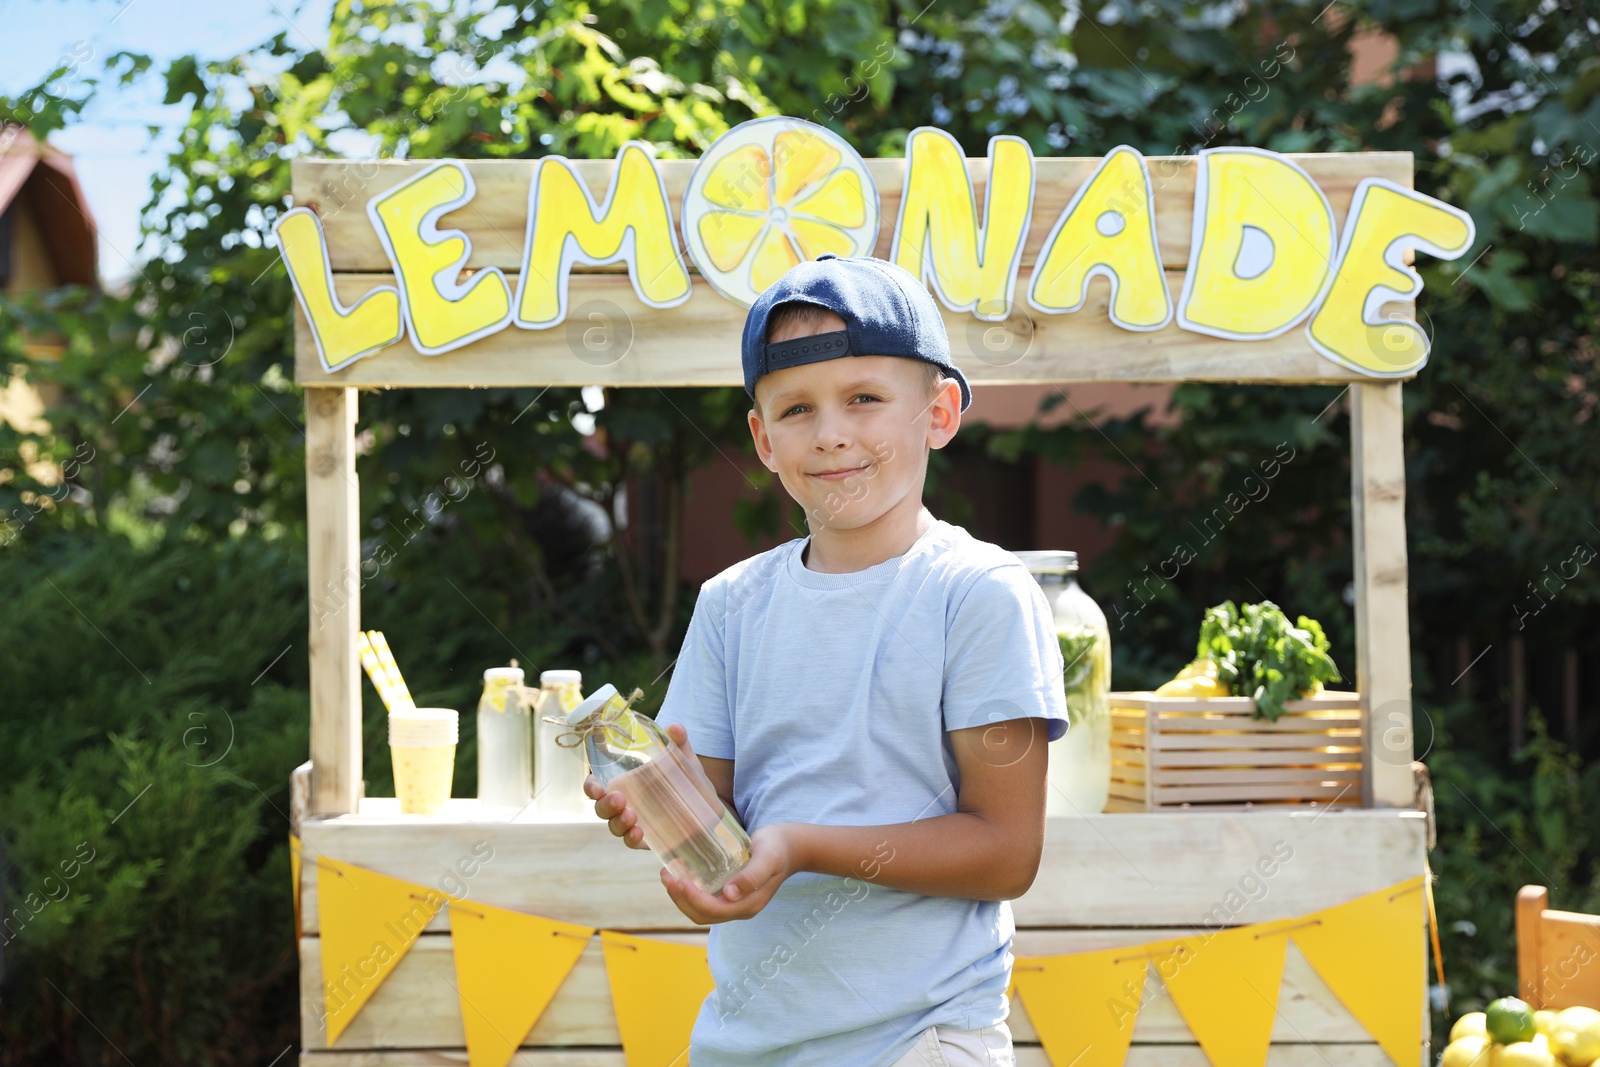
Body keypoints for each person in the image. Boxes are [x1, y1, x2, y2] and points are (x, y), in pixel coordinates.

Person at [583, 252, 1070, 1067]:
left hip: (920, 1042)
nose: (832, 432)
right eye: (797, 408)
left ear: (939, 411)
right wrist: (667, 827)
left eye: (865, 399)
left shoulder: (979, 593)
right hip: (745, 1044)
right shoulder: (731, 604)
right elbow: (718, 870)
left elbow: (1006, 851)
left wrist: (802, 844)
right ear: (762, 438)